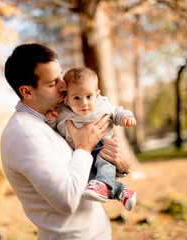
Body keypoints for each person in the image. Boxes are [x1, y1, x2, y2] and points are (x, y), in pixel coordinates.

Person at [1, 43, 132, 240]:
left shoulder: (51, 120)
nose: (64, 86)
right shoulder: (24, 133)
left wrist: (121, 165)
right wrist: (83, 147)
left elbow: (79, 173)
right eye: (52, 83)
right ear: (27, 92)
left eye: (60, 75)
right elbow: (67, 201)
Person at [45, 67, 136, 211]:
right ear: (66, 98)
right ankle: (121, 191)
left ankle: (103, 186)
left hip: (102, 147)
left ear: (97, 95)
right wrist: (50, 119)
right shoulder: (61, 112)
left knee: (104, 162)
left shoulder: (102, 105)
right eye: (76, 98)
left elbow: (117, 111)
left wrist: (126, 117)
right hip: (79, 155)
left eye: (89, 96)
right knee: (87, 183)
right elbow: (52, 127)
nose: (84, 103)